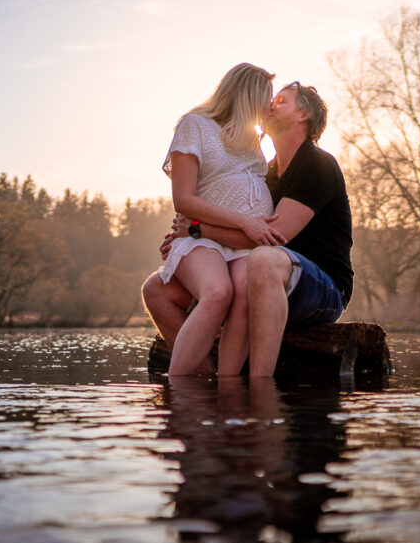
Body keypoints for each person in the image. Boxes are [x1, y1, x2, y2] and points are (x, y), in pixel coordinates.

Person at [143, 80, 353, 377]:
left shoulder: (316, 164)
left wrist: (196, 230)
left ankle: (259, 387)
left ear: (303, 114)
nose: (270, 104)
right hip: (265, 279)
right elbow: (236, 223)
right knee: (157, 289)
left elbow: (268, 239)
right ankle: (203, 383)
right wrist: (185, 237)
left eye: (281, 100)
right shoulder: (263, 173)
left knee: (264, 260)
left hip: (324, 288)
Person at [150, 63, 285, 375]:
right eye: (267, 97)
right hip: (203, 240)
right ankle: (179, 385)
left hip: (242, 245)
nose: (269, 104)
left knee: (245, 291)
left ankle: (227, 388)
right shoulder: (194, 125)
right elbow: (183, 199)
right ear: (247, 94)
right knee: (218, 292)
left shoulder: (252, 139)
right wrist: (244, 222)